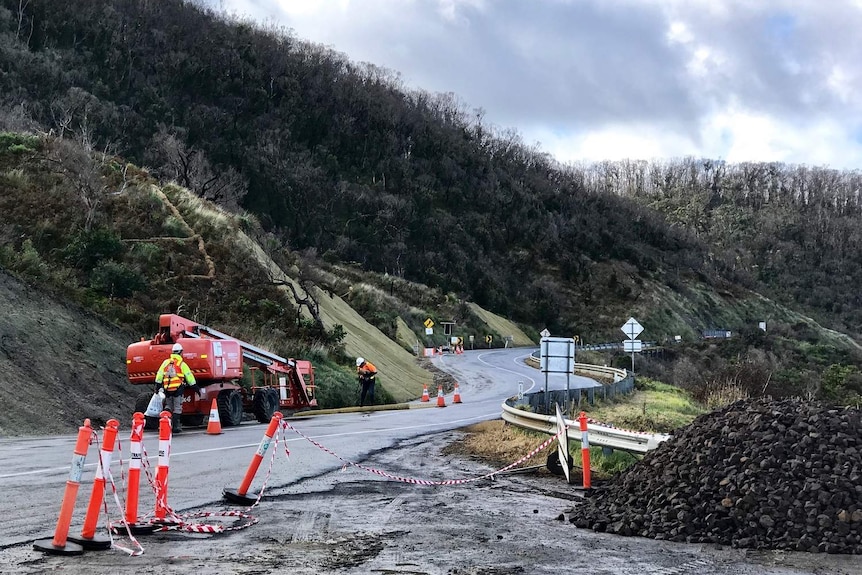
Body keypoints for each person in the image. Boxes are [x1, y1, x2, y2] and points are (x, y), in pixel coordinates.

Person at [155, 342, 196, 433]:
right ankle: (175, 427)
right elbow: (189, 376)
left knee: (168, 406)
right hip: (178, 389)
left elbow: (159, 374)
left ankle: (165, 423)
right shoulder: (181, 364)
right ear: (181, 353)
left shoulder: (166, 362)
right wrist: (195, 387)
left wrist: (157, 386)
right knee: (177, 408)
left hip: (167, 389)